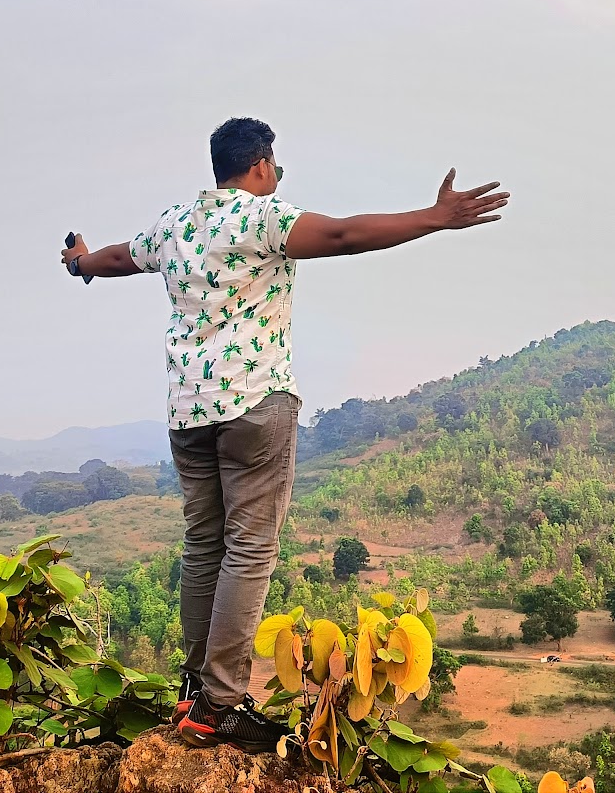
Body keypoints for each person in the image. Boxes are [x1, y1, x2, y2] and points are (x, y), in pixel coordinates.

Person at [59, 117, 507, 750]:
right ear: (261, 165)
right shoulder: (263, 219)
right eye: (276, 166)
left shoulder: (174, 225)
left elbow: (113, 259)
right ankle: (219, 703)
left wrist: (78, 261)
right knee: (249, 549)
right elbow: (345, 235)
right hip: (253, 406)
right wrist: (435, 217)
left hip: (188, 412)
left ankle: (193, 690)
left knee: (204, 546)